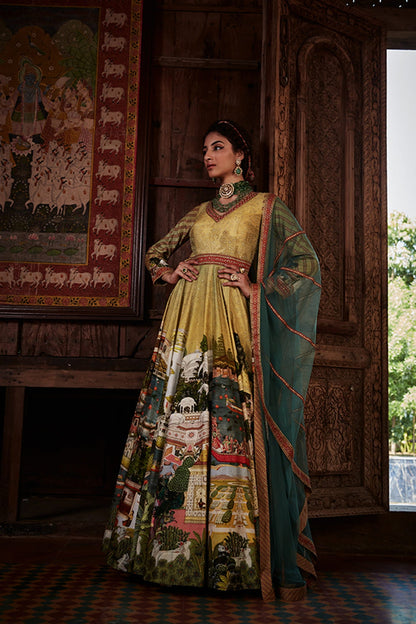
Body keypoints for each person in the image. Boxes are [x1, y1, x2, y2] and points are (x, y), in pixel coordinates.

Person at [103, 120, 321, 602]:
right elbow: (154, 252)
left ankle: (241, 557)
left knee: (230, 418)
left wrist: (256, 287)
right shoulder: (198, 212)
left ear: (240, 155)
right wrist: (169, 271)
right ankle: (167, 552)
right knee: (176, 421)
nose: (208, 156)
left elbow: (304, 263)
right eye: (204, 149)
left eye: (217, 148)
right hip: (185, 323)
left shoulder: (266, 206)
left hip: (233, 323)